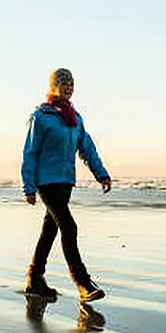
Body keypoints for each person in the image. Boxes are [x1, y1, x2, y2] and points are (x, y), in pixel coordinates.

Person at [21, 68, 111, 302]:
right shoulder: (41, 117)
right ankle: (83, 283)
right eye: (63, 82)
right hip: (46, 182)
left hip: (65, 181)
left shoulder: (75, 118)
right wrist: (28, 186)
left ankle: (35, 278)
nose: (68, 86)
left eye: (71, 83)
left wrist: (101, 174)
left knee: (50, 230)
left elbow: (87, 148)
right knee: (69, 227)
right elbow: (30, 152)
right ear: (52, 86)